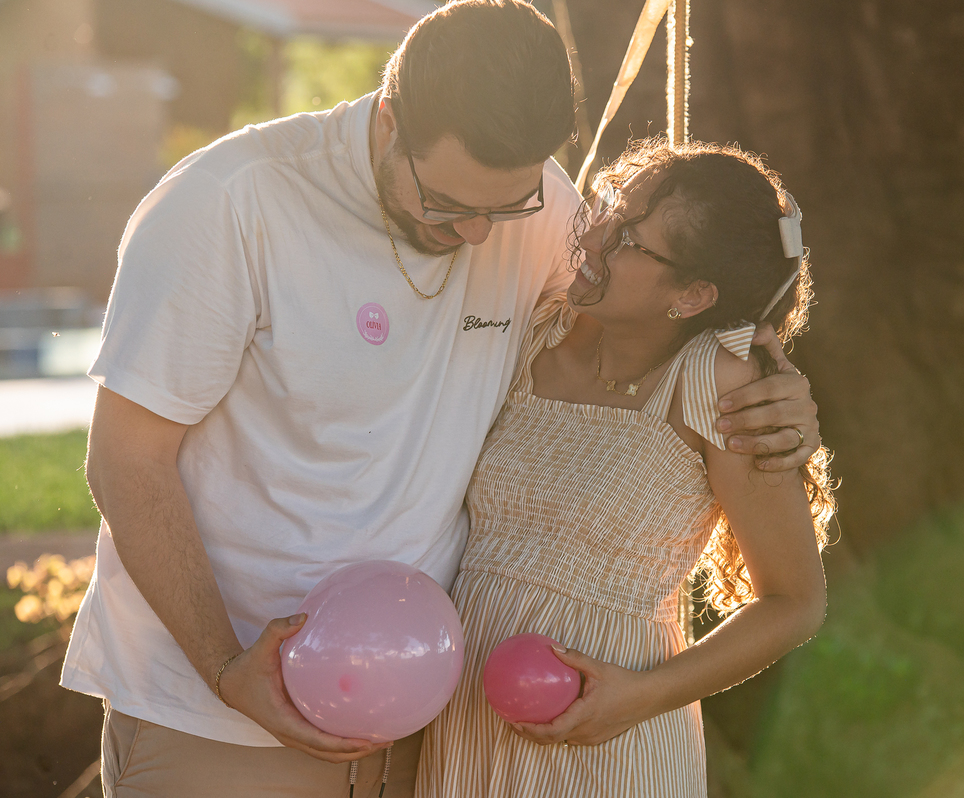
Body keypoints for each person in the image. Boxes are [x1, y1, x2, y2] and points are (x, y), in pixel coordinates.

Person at [65, 2, 822, 796]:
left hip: (432, 728)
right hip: (225, 714)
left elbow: (665, 323)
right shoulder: (227, 204)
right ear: (391, 122)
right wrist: (225, 668)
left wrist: (783, 400)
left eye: (504, 208)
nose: (476, 235)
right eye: (447, 206)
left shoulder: (540, 211)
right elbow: (126, 461)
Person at [416, 138, 833, 797]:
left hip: (608, 736)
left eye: (628, 240)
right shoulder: (538, 330)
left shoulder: (719, 382)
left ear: (692, 294)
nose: (592, 237)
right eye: (608, 207)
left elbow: (796, 603)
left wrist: (641, 697)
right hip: (466, 722)